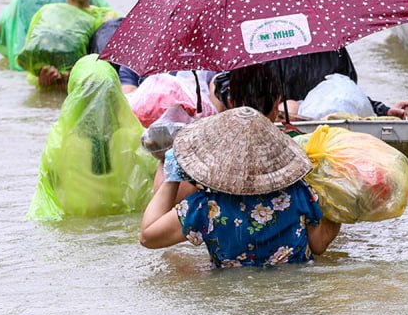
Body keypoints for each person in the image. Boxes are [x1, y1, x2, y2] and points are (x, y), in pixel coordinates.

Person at [139, 103, 342, 268]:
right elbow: (318, 245)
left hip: (232, 301)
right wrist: (341, 210)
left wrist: (172, 179)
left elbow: (148, 237)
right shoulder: (299, 193)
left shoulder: (206, 207)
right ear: (273, 153)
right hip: (295, 298)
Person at [27, 55, 156, 221]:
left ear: (74, 93)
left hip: (77, 225)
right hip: (128, 223)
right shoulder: (136, 135)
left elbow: (47, 193)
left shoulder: (59, 140)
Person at [209, 49, 408, 120]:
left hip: (314, 119)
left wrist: (384, 111)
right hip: (268, 117)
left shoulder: (329, 44)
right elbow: (227, 85)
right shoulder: (256, 42)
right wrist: (277, 112)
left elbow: (343, 93)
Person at [26, 0, 117, 88]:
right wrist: (42, 81)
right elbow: (31, 68)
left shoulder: (107, 17)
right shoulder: (47, 14)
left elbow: (116, 67)